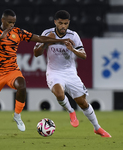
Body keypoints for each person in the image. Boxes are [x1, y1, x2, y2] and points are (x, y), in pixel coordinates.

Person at [0, 9, 71, 137]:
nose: (11, 25)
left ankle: (17, 115)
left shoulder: (17, 32)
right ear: (3, 20)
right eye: (9, 22)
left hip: (12, 71)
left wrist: (61, 41)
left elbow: (38, 38)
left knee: (22, 85)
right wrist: (0, 37)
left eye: (13, 22)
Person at [33, 10, 111, 138]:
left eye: (65, 23)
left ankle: (97, 128)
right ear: (55, 22)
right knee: (59, 93)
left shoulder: (73, 35)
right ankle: (71, 111)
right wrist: (46, 41)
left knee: (83, 103)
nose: (63, 26)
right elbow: (36, 53)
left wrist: (72, 49)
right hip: (54, 72)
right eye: (60, 23)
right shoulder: (47, 33)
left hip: (70, 73)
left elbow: (84, 55)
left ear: (68, 23)